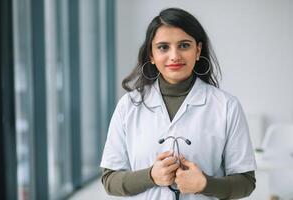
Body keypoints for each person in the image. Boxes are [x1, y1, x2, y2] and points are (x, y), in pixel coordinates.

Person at [100, 7, 257, 200]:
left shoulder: (226, 106)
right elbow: (109, 180)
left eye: (184, 45)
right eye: (163, 47)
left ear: (198, 50)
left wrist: (205, 184)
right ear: (151, 54)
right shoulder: (129, 105)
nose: (174, 56)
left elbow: (246, 182)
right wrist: (150, 176)